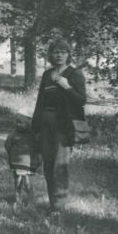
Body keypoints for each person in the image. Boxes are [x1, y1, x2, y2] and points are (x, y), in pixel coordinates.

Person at [31, 38, 86, 213]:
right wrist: (35, 127)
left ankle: (58, 207)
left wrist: (66, 86)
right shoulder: (47, 75)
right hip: (46, 123)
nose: (59, 55)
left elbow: (81, 101)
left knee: (59, 166)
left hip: (64, 126)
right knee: (47, 164)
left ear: (68, 54)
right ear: (51, 55)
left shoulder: (74, 74)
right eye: (56, 52)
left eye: (63, 52)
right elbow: (40, 101)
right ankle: (53, 203)